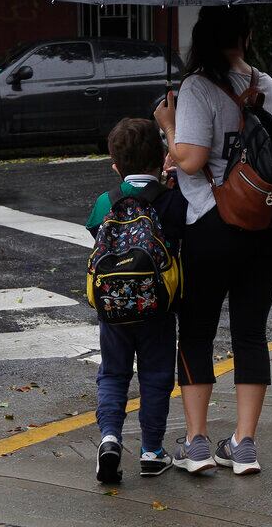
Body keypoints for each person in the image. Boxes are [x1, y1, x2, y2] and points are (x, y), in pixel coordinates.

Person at [154, 5, 272, 476]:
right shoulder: (269, 87)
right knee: (251, 331)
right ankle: (244, 444)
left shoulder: (197, 87)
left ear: (202, 39)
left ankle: (196, 444)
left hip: (213, 224)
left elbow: (192, 160)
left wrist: (168, 123)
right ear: (245, 37)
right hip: (268, 226)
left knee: (197, 331)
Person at [85, 118, 187, 483]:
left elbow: (97, 234)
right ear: (162, 158)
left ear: (116, 165)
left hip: (113, 308)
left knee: (113, 374)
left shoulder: (106, 202)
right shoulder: (172, 200)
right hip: (158, 307)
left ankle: (110, 438)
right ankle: (151, 451)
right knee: (156, 376)